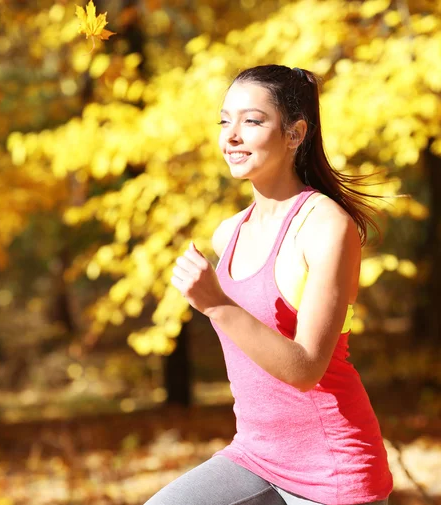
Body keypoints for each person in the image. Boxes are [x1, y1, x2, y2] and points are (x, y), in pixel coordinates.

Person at [148, 64, 394, 505]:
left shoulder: (325, 227)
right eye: (225, 120)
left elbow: (306, 369)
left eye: (252, 121)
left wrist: (217, 305)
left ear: (295, 134)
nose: (231, 136)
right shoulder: (229, 233)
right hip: (254, 457)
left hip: (333, 474)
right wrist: (215, 302)